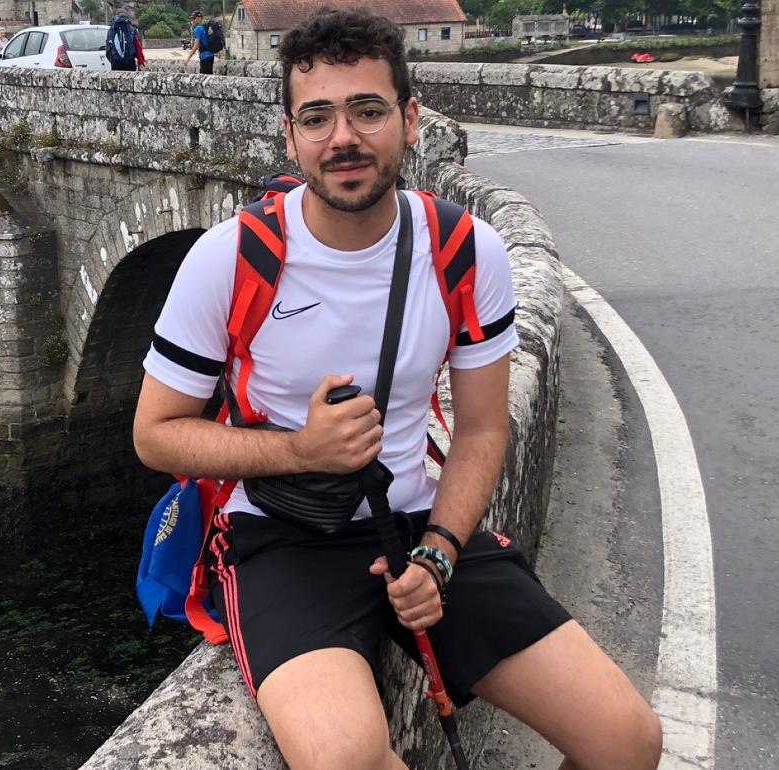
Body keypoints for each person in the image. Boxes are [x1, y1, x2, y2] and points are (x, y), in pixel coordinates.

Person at [133, 8, 663, 770]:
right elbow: (155, 433)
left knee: (625, 740)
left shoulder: (462, 250)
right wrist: (300, 448)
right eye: (317, 116)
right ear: (290, 137)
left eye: (367, 110)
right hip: (283, 537)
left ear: (410, 121)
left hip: (418, 522)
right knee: (347, 757)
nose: (342, 136)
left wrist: (440, 554)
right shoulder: (233, 258)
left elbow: (481, 430)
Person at [183, 11, 214, 75]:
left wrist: (188, 58)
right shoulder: (205, 27)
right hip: (211, 55)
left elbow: (196, 46)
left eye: (194, 18)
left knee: (205, 79)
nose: (193, 20)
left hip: (204, 57)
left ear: (200, 18)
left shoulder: (198, 29)